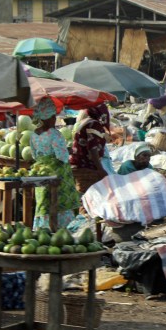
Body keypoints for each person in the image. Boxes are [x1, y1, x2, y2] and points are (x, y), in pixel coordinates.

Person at [29, 97, 81, 230]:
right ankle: (60, 229)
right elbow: (62, 157)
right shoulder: (54, 134)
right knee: (58, 204)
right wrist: (69, 150)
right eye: (52, 117)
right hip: (58, 174)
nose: (54, 120)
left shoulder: (33, 135)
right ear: (45, 117)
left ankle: (42, 228)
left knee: (43, 202)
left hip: (40, 172)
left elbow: (34, 155)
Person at [69, 103, 110, 201]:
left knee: (82, 196)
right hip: (86, 167)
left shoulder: (85, 122)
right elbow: (93, 148)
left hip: (78, 165)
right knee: (87, 197)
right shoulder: (94, 124)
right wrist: (100, 169)